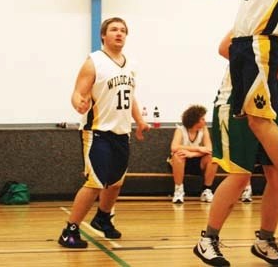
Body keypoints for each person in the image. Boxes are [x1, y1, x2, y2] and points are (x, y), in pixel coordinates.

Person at [195, 0, 278, 267]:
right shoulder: (264, 17)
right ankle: (208, 239)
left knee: (277, 177)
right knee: (239, 176)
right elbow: (224, 47)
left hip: (271, 111)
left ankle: (266, 240)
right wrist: (265, 61)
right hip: (239, 102)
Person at [59, 17, 150, 249]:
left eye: (123, 30)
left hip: (121, 133)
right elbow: (77, 92)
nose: (119, 33)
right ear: (103, 35)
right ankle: (69, 229)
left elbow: (131, 97)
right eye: (113, 30)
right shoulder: (94, 62)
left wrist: (139, 121)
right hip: (97, 132)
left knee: (116, 184)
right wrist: (78, 102)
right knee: (95, 183)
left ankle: (102, 218)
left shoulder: (131, 64)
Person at [169, 104, 217, 204]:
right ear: (195, 120)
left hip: (197, 161)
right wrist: (198, 148)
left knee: (213, 158)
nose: (205, 121)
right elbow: (174, 147)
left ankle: (206, 190)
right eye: (202, 119)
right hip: (180, 163)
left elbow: (209, 149)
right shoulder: (180, 130)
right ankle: (178, 191)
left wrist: (192, 154)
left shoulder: (204, 130)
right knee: (177, 155)